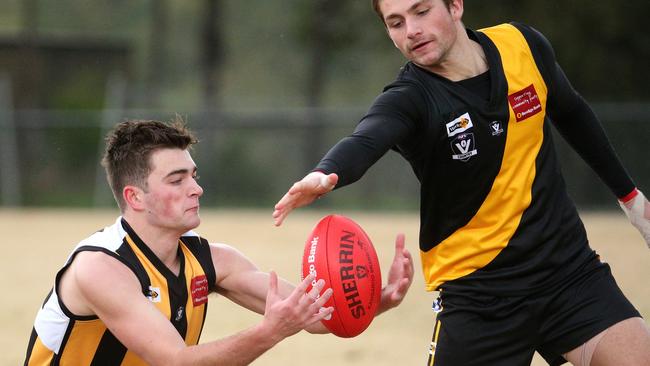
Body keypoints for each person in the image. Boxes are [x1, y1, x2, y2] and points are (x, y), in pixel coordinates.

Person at [272, 0, 650, 365]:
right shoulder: (410, 99)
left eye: (421, 11)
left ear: (455, 5)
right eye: (396, 22)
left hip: (569, 273)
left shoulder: (523, 46)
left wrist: (630, 199)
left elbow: (571, 111)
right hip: (479, 296)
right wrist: (325, 172)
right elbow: (366, 139)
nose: (412, 31)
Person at [24, 118, 414, 365]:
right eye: (177, 180)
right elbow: (176, 362)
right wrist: (270, 331)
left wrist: (376, 298)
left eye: (193, 175)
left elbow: (310, 314)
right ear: (134, 198)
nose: (196, 188)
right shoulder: (101, 268)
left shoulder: (211, 259)